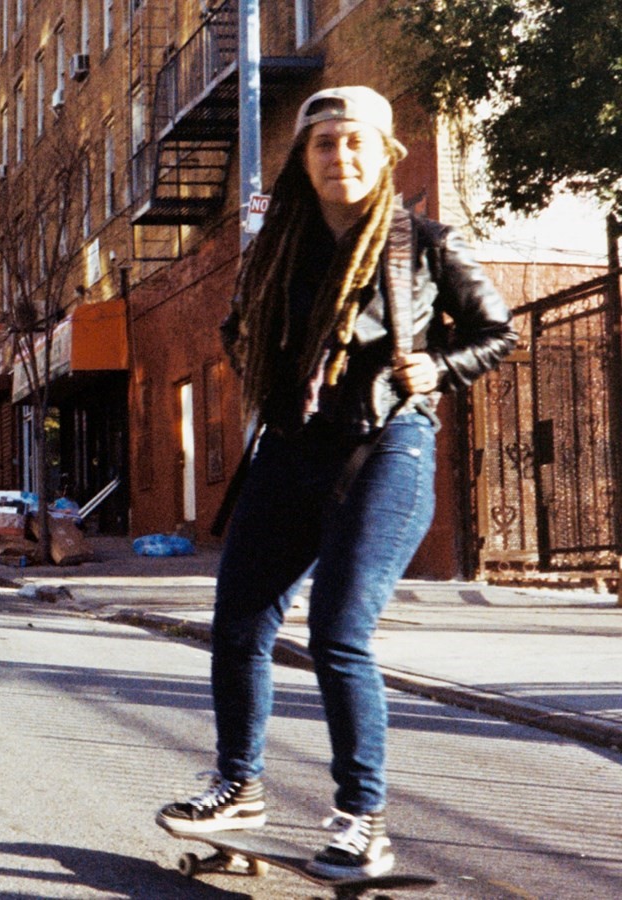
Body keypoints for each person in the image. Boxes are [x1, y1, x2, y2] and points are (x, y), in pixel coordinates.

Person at [156, 86, 516, 879]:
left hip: (386, 447)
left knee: (338, 636)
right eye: (323, 143)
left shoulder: (423, 244)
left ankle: (363, 819)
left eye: (355, 142)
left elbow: (498, 330)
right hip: (291, 446)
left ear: (383, 154)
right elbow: (239, 325)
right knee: (240, 621)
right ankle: (239, 786)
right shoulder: (280, 247)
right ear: (303, 157)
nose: (339, 157)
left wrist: (439, 364)